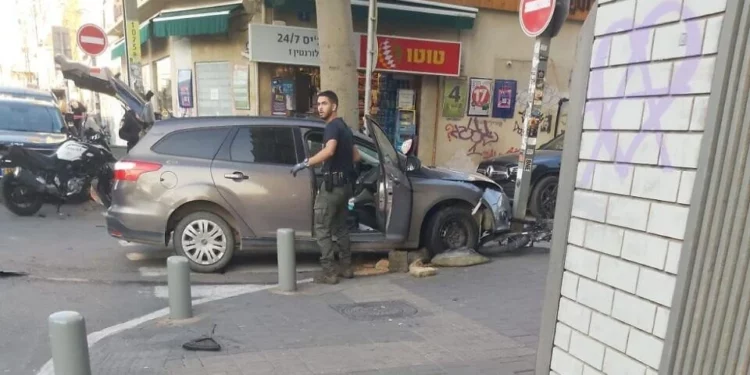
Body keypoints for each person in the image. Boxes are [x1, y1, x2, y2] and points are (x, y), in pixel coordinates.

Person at [290, 90, 361, 284]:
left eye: (324, 104)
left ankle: (329, 272)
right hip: (345, 187)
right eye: (318, 104)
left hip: (331, 189)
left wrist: (306, 163)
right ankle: (346, 268)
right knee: (341, 229)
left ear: (334, 106)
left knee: (322, 228)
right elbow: (357, 157)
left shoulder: (331, 127)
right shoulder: (345, 128)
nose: (320, 107)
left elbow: (329, 151)